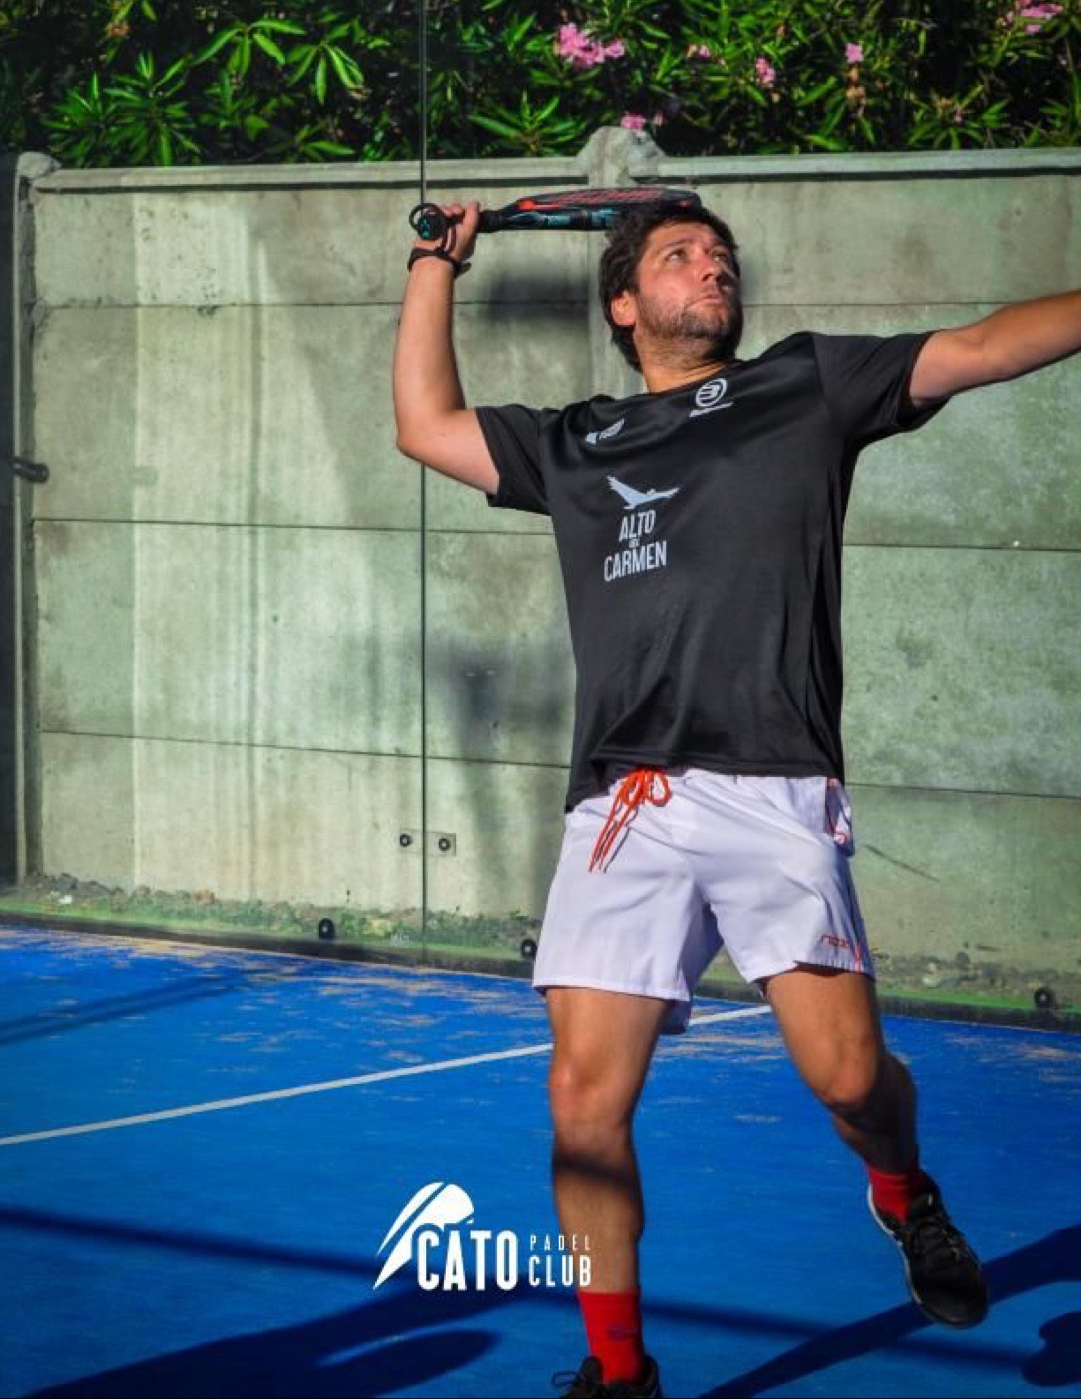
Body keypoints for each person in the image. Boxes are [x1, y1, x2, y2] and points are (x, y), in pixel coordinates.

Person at [392, 189, 1080, 1399]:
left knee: (852, 1081)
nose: (713, 266)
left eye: (721, 255)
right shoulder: (575, 443)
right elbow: (425, 423)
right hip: (622, 803)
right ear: (623, 303)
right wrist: (435, 263)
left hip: (775, 788)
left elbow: (981, 345)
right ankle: (619, 1373)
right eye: (679, 254)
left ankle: (903, 1189)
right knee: (582, 1102)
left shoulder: (806, 385)